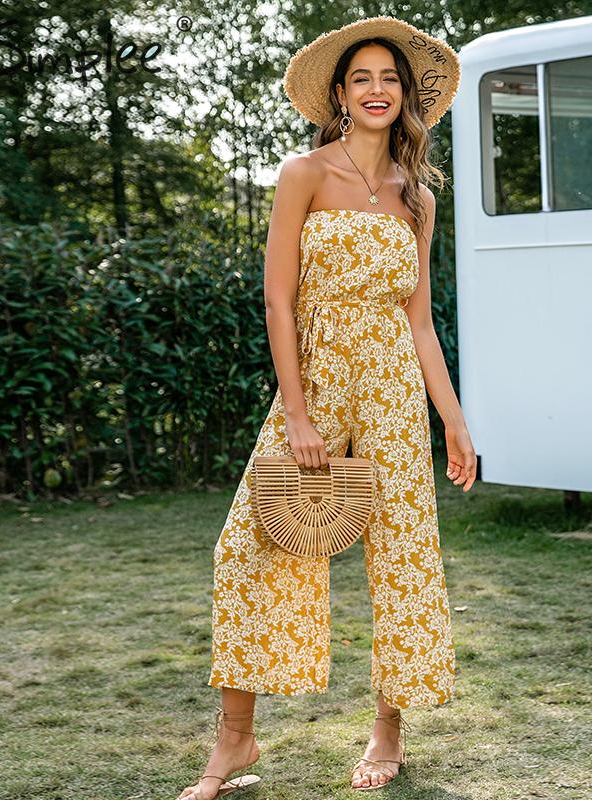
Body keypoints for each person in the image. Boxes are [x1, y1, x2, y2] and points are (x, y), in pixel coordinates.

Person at [176, 15, 475, 800]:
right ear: (340, 95)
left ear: (405, 95)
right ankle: (235, 740)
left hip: (392, 389)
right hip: (316, 378)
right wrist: (299, 415)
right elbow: (279, 302)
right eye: (362, 79)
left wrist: (453, 417)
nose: (377, 90)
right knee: (245, 545)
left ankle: (388, 730)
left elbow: (418, 320)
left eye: (390, 79)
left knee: (405, 558)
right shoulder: (303, 173)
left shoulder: (418, 197)